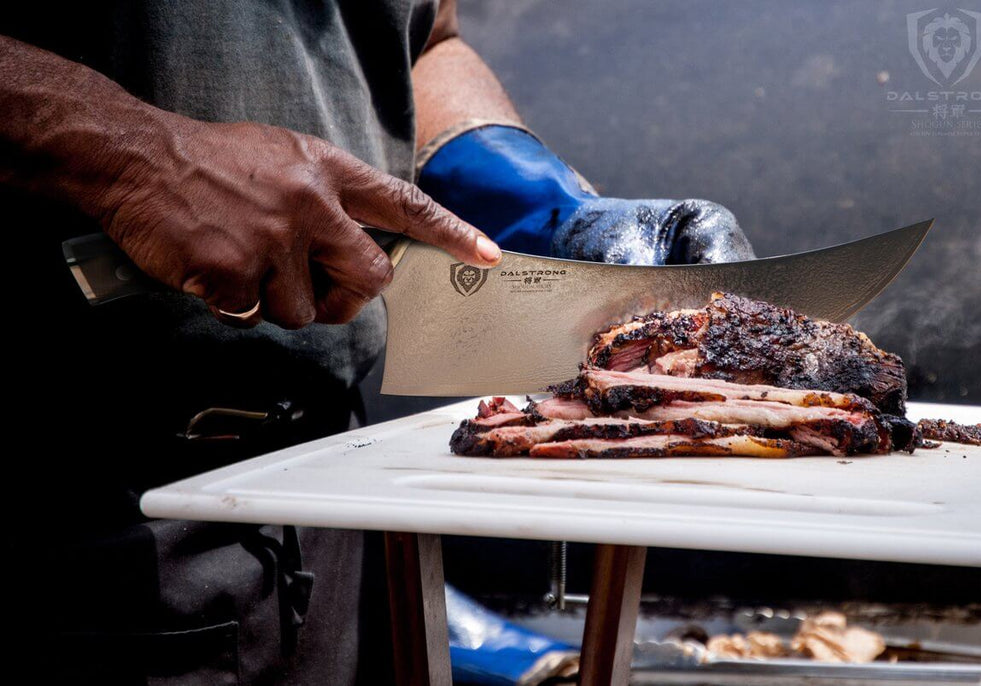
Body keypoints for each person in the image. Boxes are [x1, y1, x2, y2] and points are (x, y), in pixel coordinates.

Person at [1, 1, 753, 683]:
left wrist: (537, 201)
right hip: (75, 515)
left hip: (331, 502)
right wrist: (136, 158)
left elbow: (423, 41)